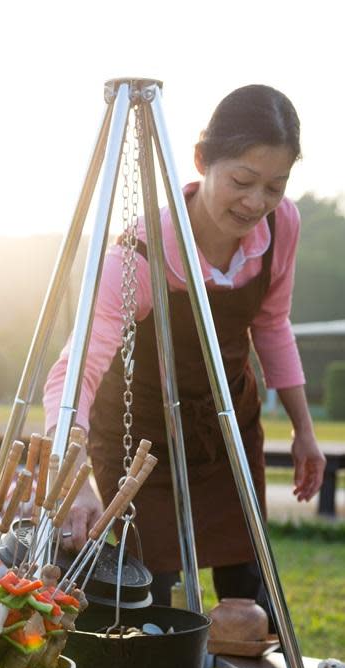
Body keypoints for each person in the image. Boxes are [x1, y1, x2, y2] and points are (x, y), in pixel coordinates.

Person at [43, 84, 326, 616]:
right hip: (141, 443)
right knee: (152, 607)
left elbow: (272, 324)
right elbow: (75, 372)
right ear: (200, 161)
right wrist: (73, 476)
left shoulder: (281, 224)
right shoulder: (139, 254)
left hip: (226, 429)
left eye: (274, 186)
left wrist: (304, 429)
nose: (256, 203)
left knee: (249, 599)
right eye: (242, 180)